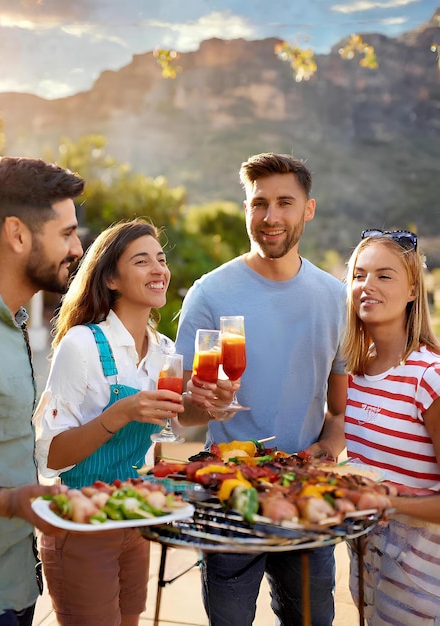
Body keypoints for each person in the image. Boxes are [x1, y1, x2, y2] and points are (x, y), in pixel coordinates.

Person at [175, 152, 348, 626]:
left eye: (285, 203)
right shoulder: (210, 294)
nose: (270, 217)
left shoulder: (336, 298)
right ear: (245, 208)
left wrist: (328, 449)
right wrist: (204, 405)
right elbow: (183, 414)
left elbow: (339, 412)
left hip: (304, 493)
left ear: (308, 209)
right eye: (259, 203)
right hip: (229, 493)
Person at [0, 156, 85, 626]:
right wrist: (6, 503)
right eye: (66, 233)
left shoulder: (15, 320)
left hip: (17, 586)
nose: (77, 246)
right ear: (17, 234)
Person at [34, 218, 185, 626]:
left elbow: (178, 417)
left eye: (161, 258)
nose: (159, 270)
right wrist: (120, 413)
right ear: (112, 279)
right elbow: (50, 455)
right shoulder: (81, 344)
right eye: (142, 261)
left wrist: (210, 403)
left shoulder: (164, 352)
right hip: (79, 520)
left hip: (133, 517)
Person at [343, 228, 440, 623]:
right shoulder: (353, 374)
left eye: (385, 275)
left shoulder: (429, 377)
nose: (368, 285)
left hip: (423, 571)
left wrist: (388, 504)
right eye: (360, 275)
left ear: (413, 291)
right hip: (365, 553)